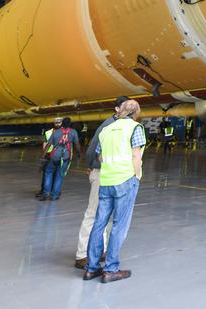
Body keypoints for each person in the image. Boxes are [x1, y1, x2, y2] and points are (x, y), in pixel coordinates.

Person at [84, 100, 144, 284]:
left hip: (107, 180)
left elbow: (100, 155)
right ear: (136, 113)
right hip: (125, 180)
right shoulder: (135, 128)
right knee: (119, 225)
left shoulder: (107, 129)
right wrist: (136, 176)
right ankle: (110, 269)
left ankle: (91, 268)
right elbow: (136, 155)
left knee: (99, 224)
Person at [75, 97, 127, 269]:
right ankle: (82, 254)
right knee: (93, 213)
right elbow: (92, 149)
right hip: (102, 173)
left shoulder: (121, 125)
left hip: (113, 175)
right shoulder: (108, 125)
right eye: (125, 108)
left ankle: (100, 250)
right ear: (117, 109)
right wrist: (92, 166)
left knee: (107, 214)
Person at [41, 118, 79, 201]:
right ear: (70, 124)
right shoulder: (73, 132)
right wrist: (79, 154)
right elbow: (77, 145)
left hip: (54, 156)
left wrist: (43, 155)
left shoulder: (56, 132)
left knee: (48, 173)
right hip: (65, 158)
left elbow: (48, 145)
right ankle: (54, 195)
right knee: (59, 176)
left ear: (62, 123)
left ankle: (46, 193)